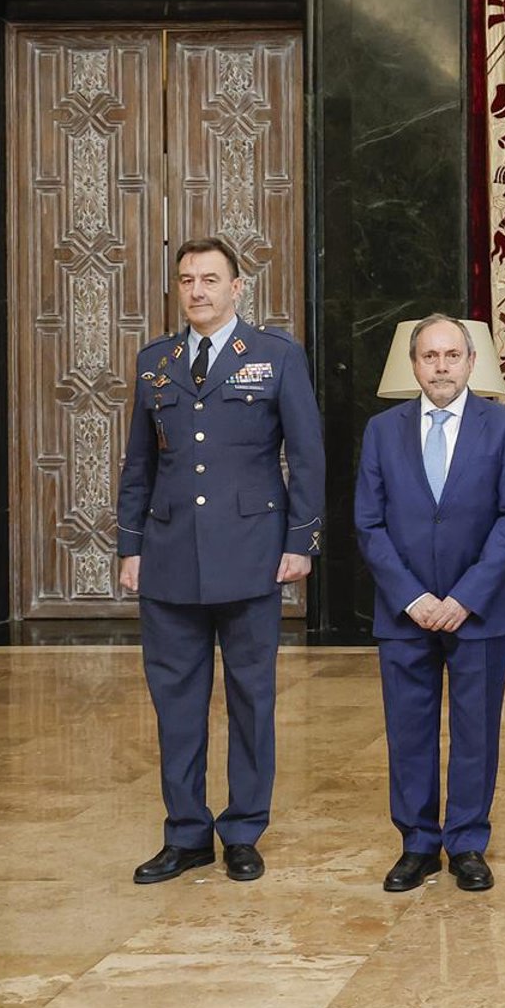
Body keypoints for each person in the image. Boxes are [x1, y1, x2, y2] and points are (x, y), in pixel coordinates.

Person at [116, 235, 323, 884]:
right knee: (175, 704)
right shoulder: (156, 362)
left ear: (237, 287)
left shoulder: (275, 356)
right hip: (170, 558)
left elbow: (307, 457)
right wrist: (130, 546)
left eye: (210, 279)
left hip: (251, 555)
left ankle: (242, 831)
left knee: (251, 700)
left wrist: (301, 541)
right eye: (187, 280)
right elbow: (138, 465)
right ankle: (186, 835)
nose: (197, 291)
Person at [355, 314, 505, 893]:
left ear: (471, 362)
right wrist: (411, 597)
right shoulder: (382, 430)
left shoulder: (503, 426)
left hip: (479, 610)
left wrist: (463, 597)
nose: (441, 367)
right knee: (408, 730)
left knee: (476, 730)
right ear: (414, 365)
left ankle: (468, 843)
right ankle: (418, 844)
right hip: (404, 610)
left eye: (452, 356)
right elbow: (369, 523)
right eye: (429, 357)